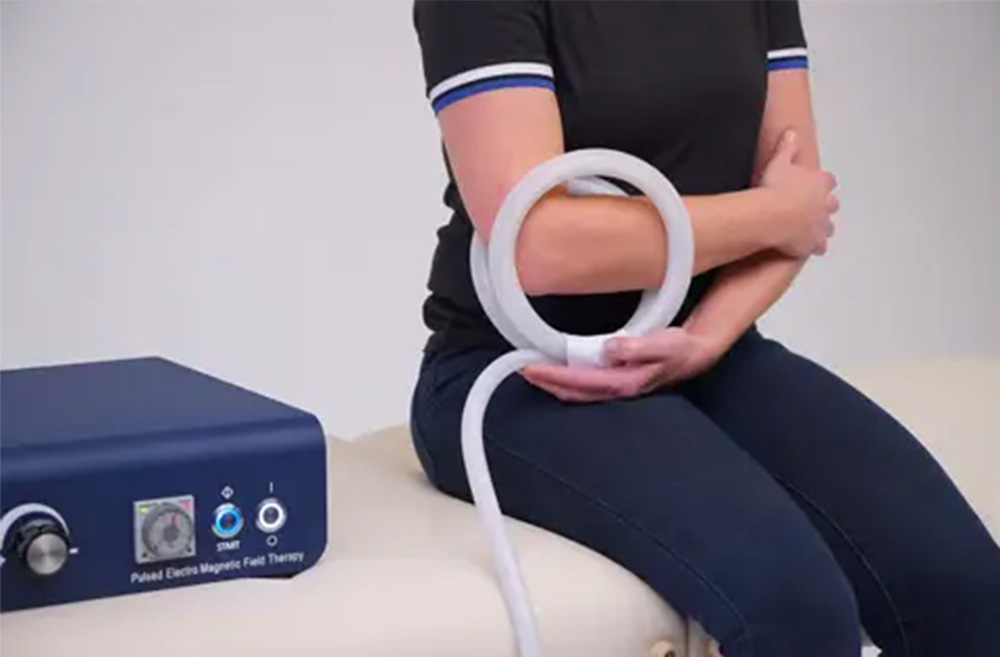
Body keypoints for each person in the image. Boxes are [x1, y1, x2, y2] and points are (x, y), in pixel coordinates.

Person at [407, 1, 1000, 655]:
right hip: (521, 369)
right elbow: (538, 247)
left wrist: (707, 337)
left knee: (965, 587)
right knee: (796, 606)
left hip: (708, 349)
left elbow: (798, 204)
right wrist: (771, 213)